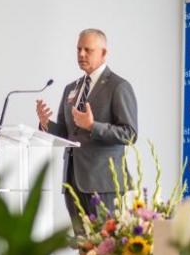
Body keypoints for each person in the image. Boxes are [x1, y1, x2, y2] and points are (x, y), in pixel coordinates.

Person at [36, 28, 137, 236]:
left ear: (103, 53)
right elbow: (66, 134)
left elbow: (129, 134)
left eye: (88, 50)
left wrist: (93, 126)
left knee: (106, 250)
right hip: (73, 181)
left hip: (104, 184)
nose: (81, 54)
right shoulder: (71, 88)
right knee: (85, 250)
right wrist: (46, 124)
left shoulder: (118, 87)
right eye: (78, 49)